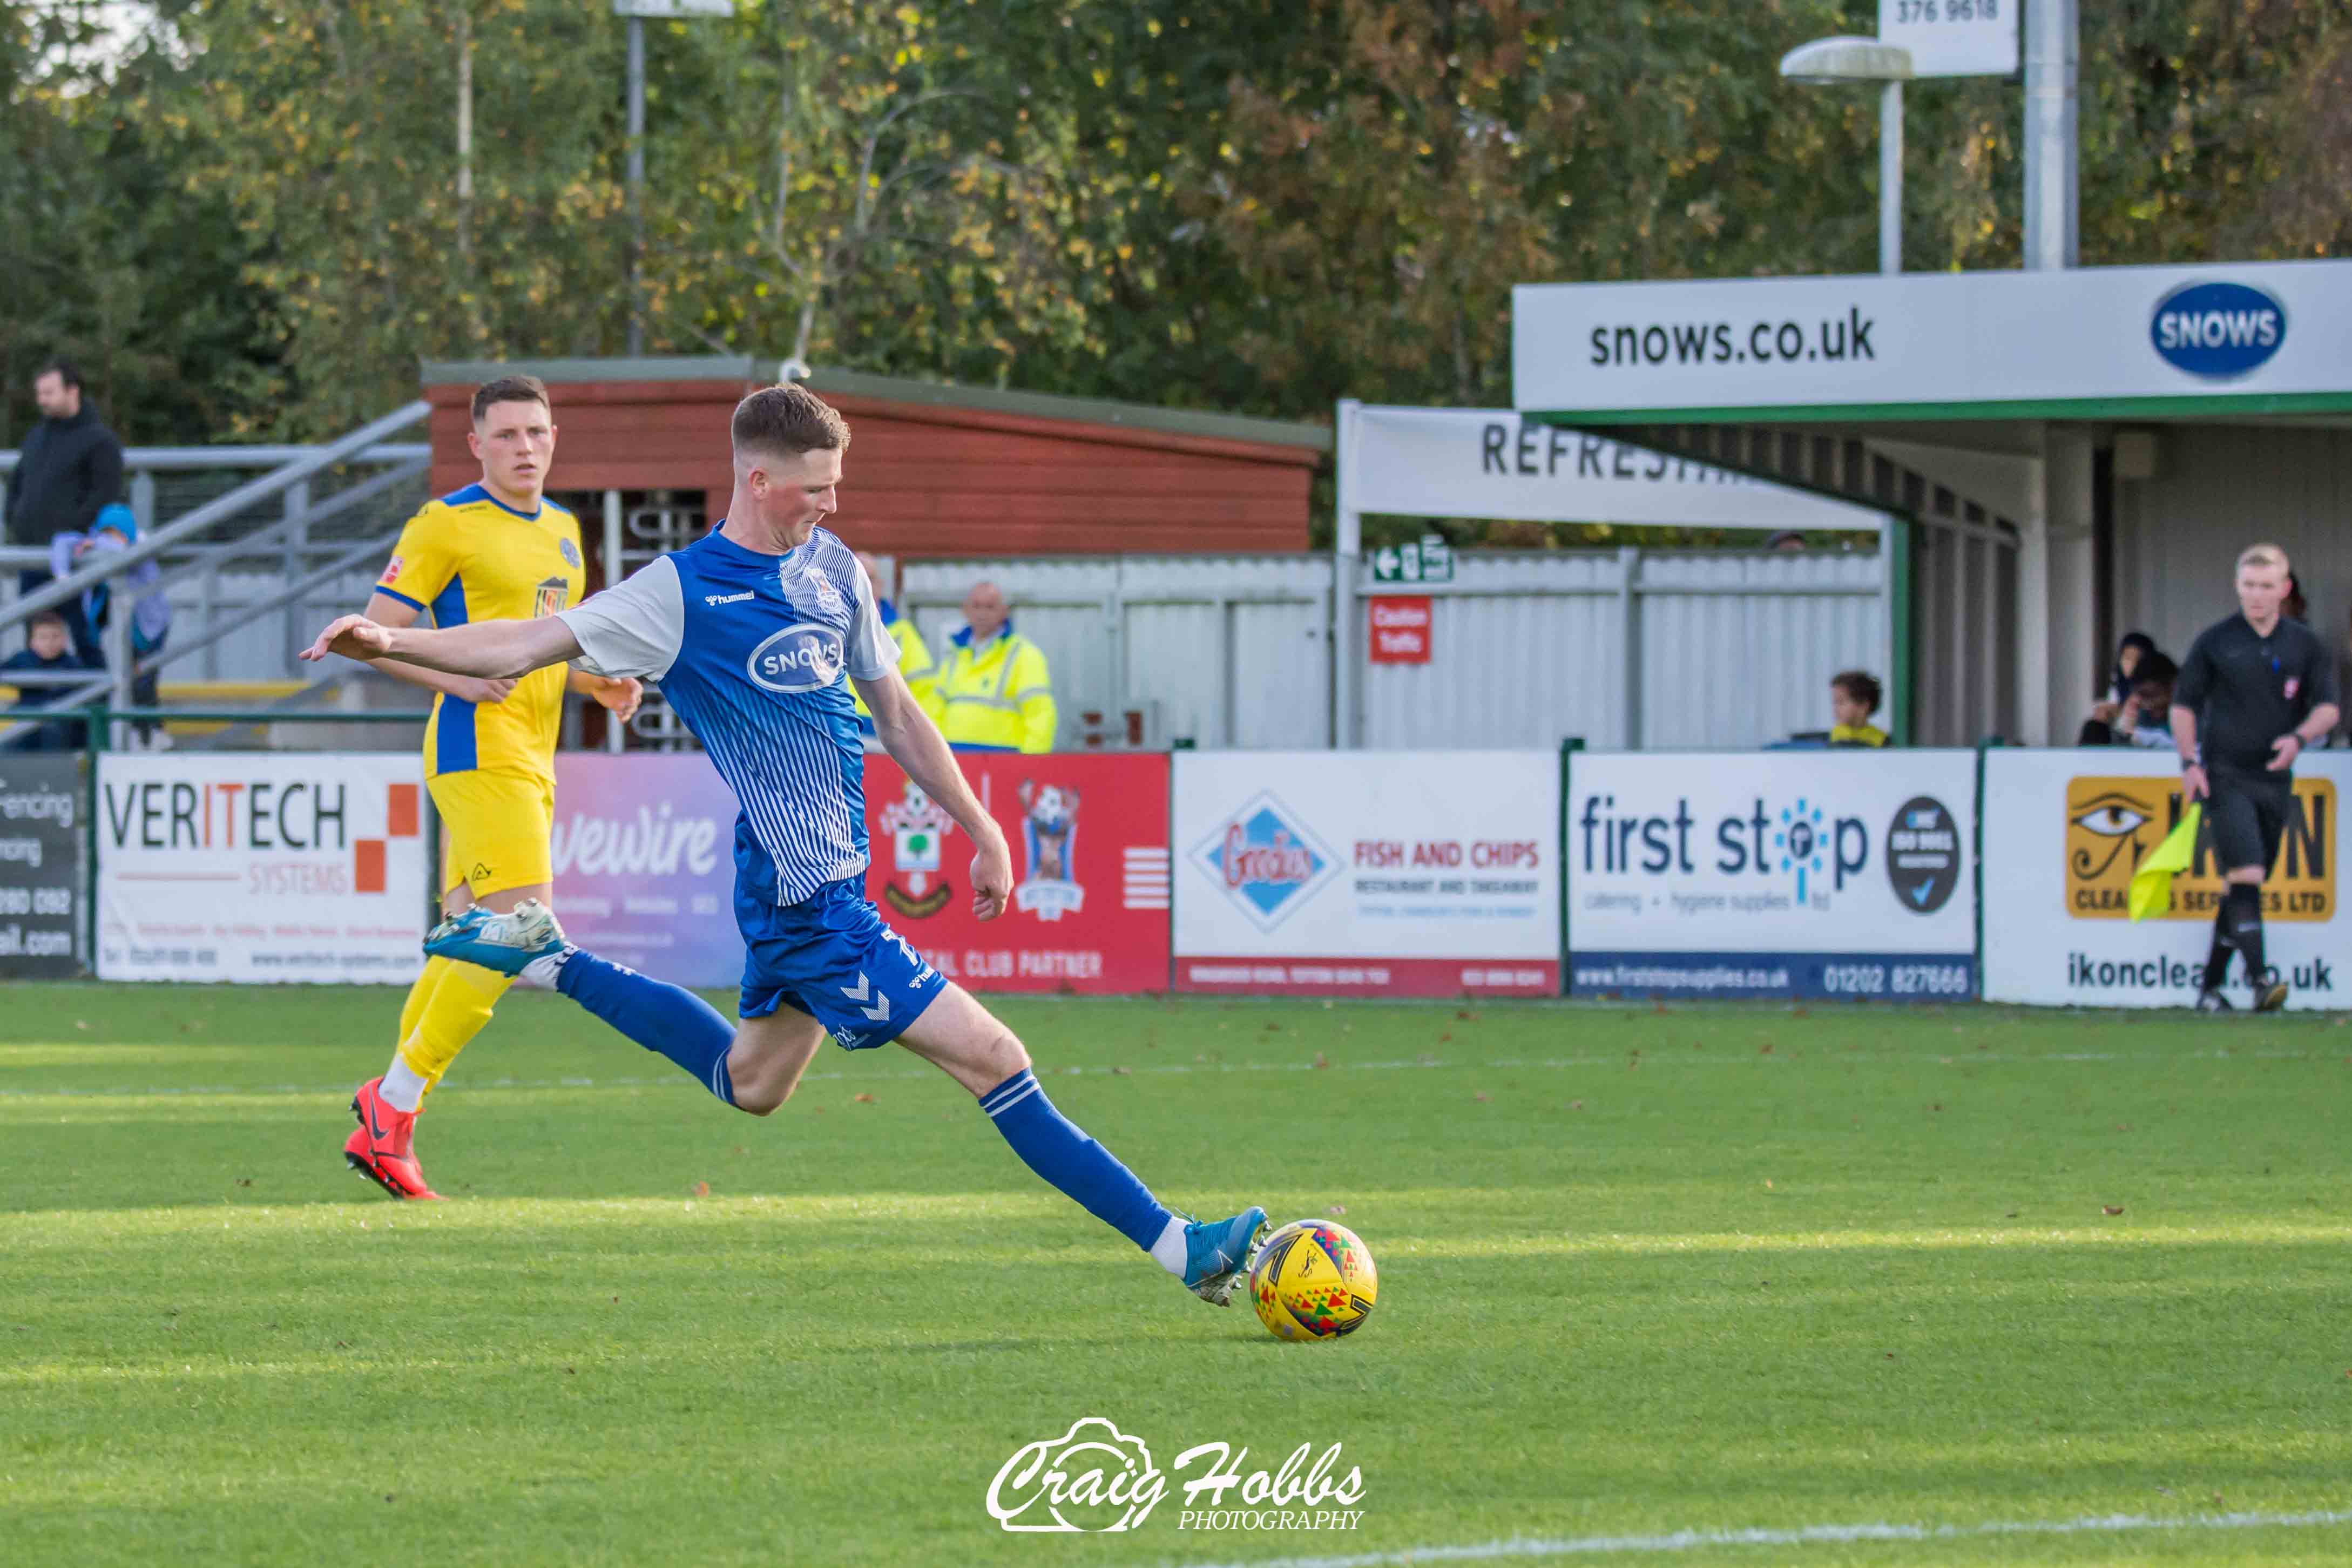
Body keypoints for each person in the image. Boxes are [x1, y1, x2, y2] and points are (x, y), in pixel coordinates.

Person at [301, 382, 1268, 1307]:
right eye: (816, 485)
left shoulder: (835, 568)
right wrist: (389, 645)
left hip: (796, 878)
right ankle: (1183, 1246)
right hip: (810, 900)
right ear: (758, 480)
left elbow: (895, 713)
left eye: (837, 483)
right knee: (997, 1057)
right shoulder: (678, 592)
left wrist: (978, 825)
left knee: (752, 1081)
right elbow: (514, 643)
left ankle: (550, 960)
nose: (831, 501)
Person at [336, 375, 643, 1200]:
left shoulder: (567, 531)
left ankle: (390, 1124)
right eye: (506, 435)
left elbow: (544, 643)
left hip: (533, 760)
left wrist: (593, 684)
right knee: (517, 938)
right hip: (476, 753)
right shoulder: (446, 524)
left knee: (471, 939)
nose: (525, 448)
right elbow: (376, 637)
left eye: (537, 432)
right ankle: (390, 1108)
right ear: (476, 444)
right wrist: (461, 682)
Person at [2172, 543, 2340, 1013]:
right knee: (2246, 872)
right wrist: (2189, 763)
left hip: (2275, 779)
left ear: (2285, 590)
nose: (2257, 596)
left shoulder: (2305, 645)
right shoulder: (2215, 642)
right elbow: (2183, 705)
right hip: (2225, 774)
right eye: (2249, 586)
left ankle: (2208, 989)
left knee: (2244, 885)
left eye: (2267, 586)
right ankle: (2262, 980)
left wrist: (2299, 740)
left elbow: (2328, 708)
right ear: (2238, 587)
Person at [5, 359, 122, 665]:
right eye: (39, 393)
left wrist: (72, 532)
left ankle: (97, 711)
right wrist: (14, 519)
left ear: (73, 391)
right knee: (36, 646)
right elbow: (18, 481)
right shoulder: (37, 436)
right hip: (33, 558)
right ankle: (40, 710)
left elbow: (105, 495)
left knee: (85, 639)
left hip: (76, 562)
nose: (41, 400)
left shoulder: (100, 440)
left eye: (49, 392)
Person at [50, 503, 172, 733]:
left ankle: (151, 734)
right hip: (121, 624)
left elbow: (119, 552)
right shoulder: (96, 543)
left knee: (143, 683)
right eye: (106, 533)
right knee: (125, 679)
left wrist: (96, 543)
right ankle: (136, 733)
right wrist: (63, 576)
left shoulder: (140, 548)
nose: (112, 539)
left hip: (150, 628)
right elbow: (62, 541)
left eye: (117, 534)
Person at [933, 580, 1057, 753]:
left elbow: (1040, 715)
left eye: (990, 607)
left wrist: (1031, 763)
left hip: (1004, 761)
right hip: (953, 759)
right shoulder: (954, 655)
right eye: (976, 606)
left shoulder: (1024, 654)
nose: (982, 613)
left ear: (1004, 612)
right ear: (966, 610)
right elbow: (934, 711)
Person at [849, 550, 940, 736]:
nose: (863, 585)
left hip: (885, 741)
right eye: (855, 578)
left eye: (870, 579)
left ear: (880, 586)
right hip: (837, 737)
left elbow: (925, 694)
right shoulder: (825, 632)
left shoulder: (903, 634)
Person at [1, 610, 87, 752]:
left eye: (55, 637)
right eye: (43, 637)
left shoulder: (73, 665)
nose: (50, 643)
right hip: (25, 717)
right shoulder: (22, 659)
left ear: (65, 639)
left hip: (59, 720)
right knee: (12, 734)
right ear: (32, 641)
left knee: (53, 728)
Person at [2078, 652, 2177, 748]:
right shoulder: (2140, 716)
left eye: (2152, 695)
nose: (2148, 705)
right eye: (2141, 697)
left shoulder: (2185, 715)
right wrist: (2126, 728)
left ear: (2173, 686)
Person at [1827, 670, 1888, 747]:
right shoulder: (1832, 737)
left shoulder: (1881, 740)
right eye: (1835, 702)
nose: (1836, 709)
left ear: (1863, 706)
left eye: (1841, 702)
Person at [2105, 631, 2158, 707]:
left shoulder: (2155, 687)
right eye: (2128, 658)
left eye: (2139, 658)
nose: (2133, 663)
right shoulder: (2117, 683)